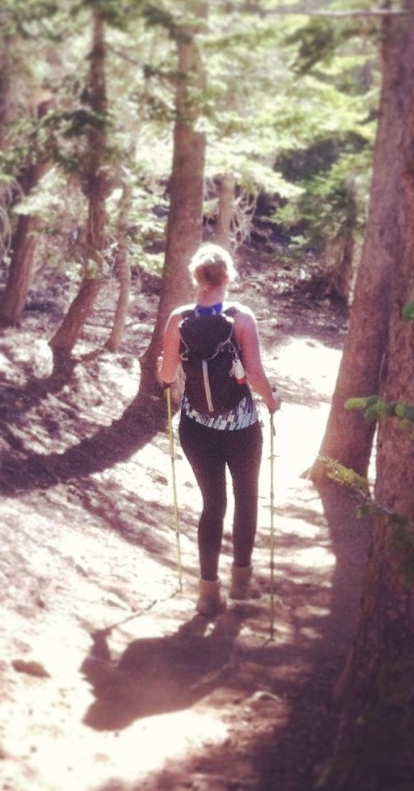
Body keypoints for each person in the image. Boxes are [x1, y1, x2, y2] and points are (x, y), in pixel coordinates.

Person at [158, 242, 280, 616]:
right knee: (246, 499)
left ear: (197, 278)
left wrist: (171, 370)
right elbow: (255, 375)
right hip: (241, 427)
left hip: (196, 428)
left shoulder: (178, 319)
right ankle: (242, 583)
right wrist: (273, 402)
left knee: (213, 504)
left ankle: (208, 593)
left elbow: (165, 376)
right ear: (227, 278)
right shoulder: (241, 318)